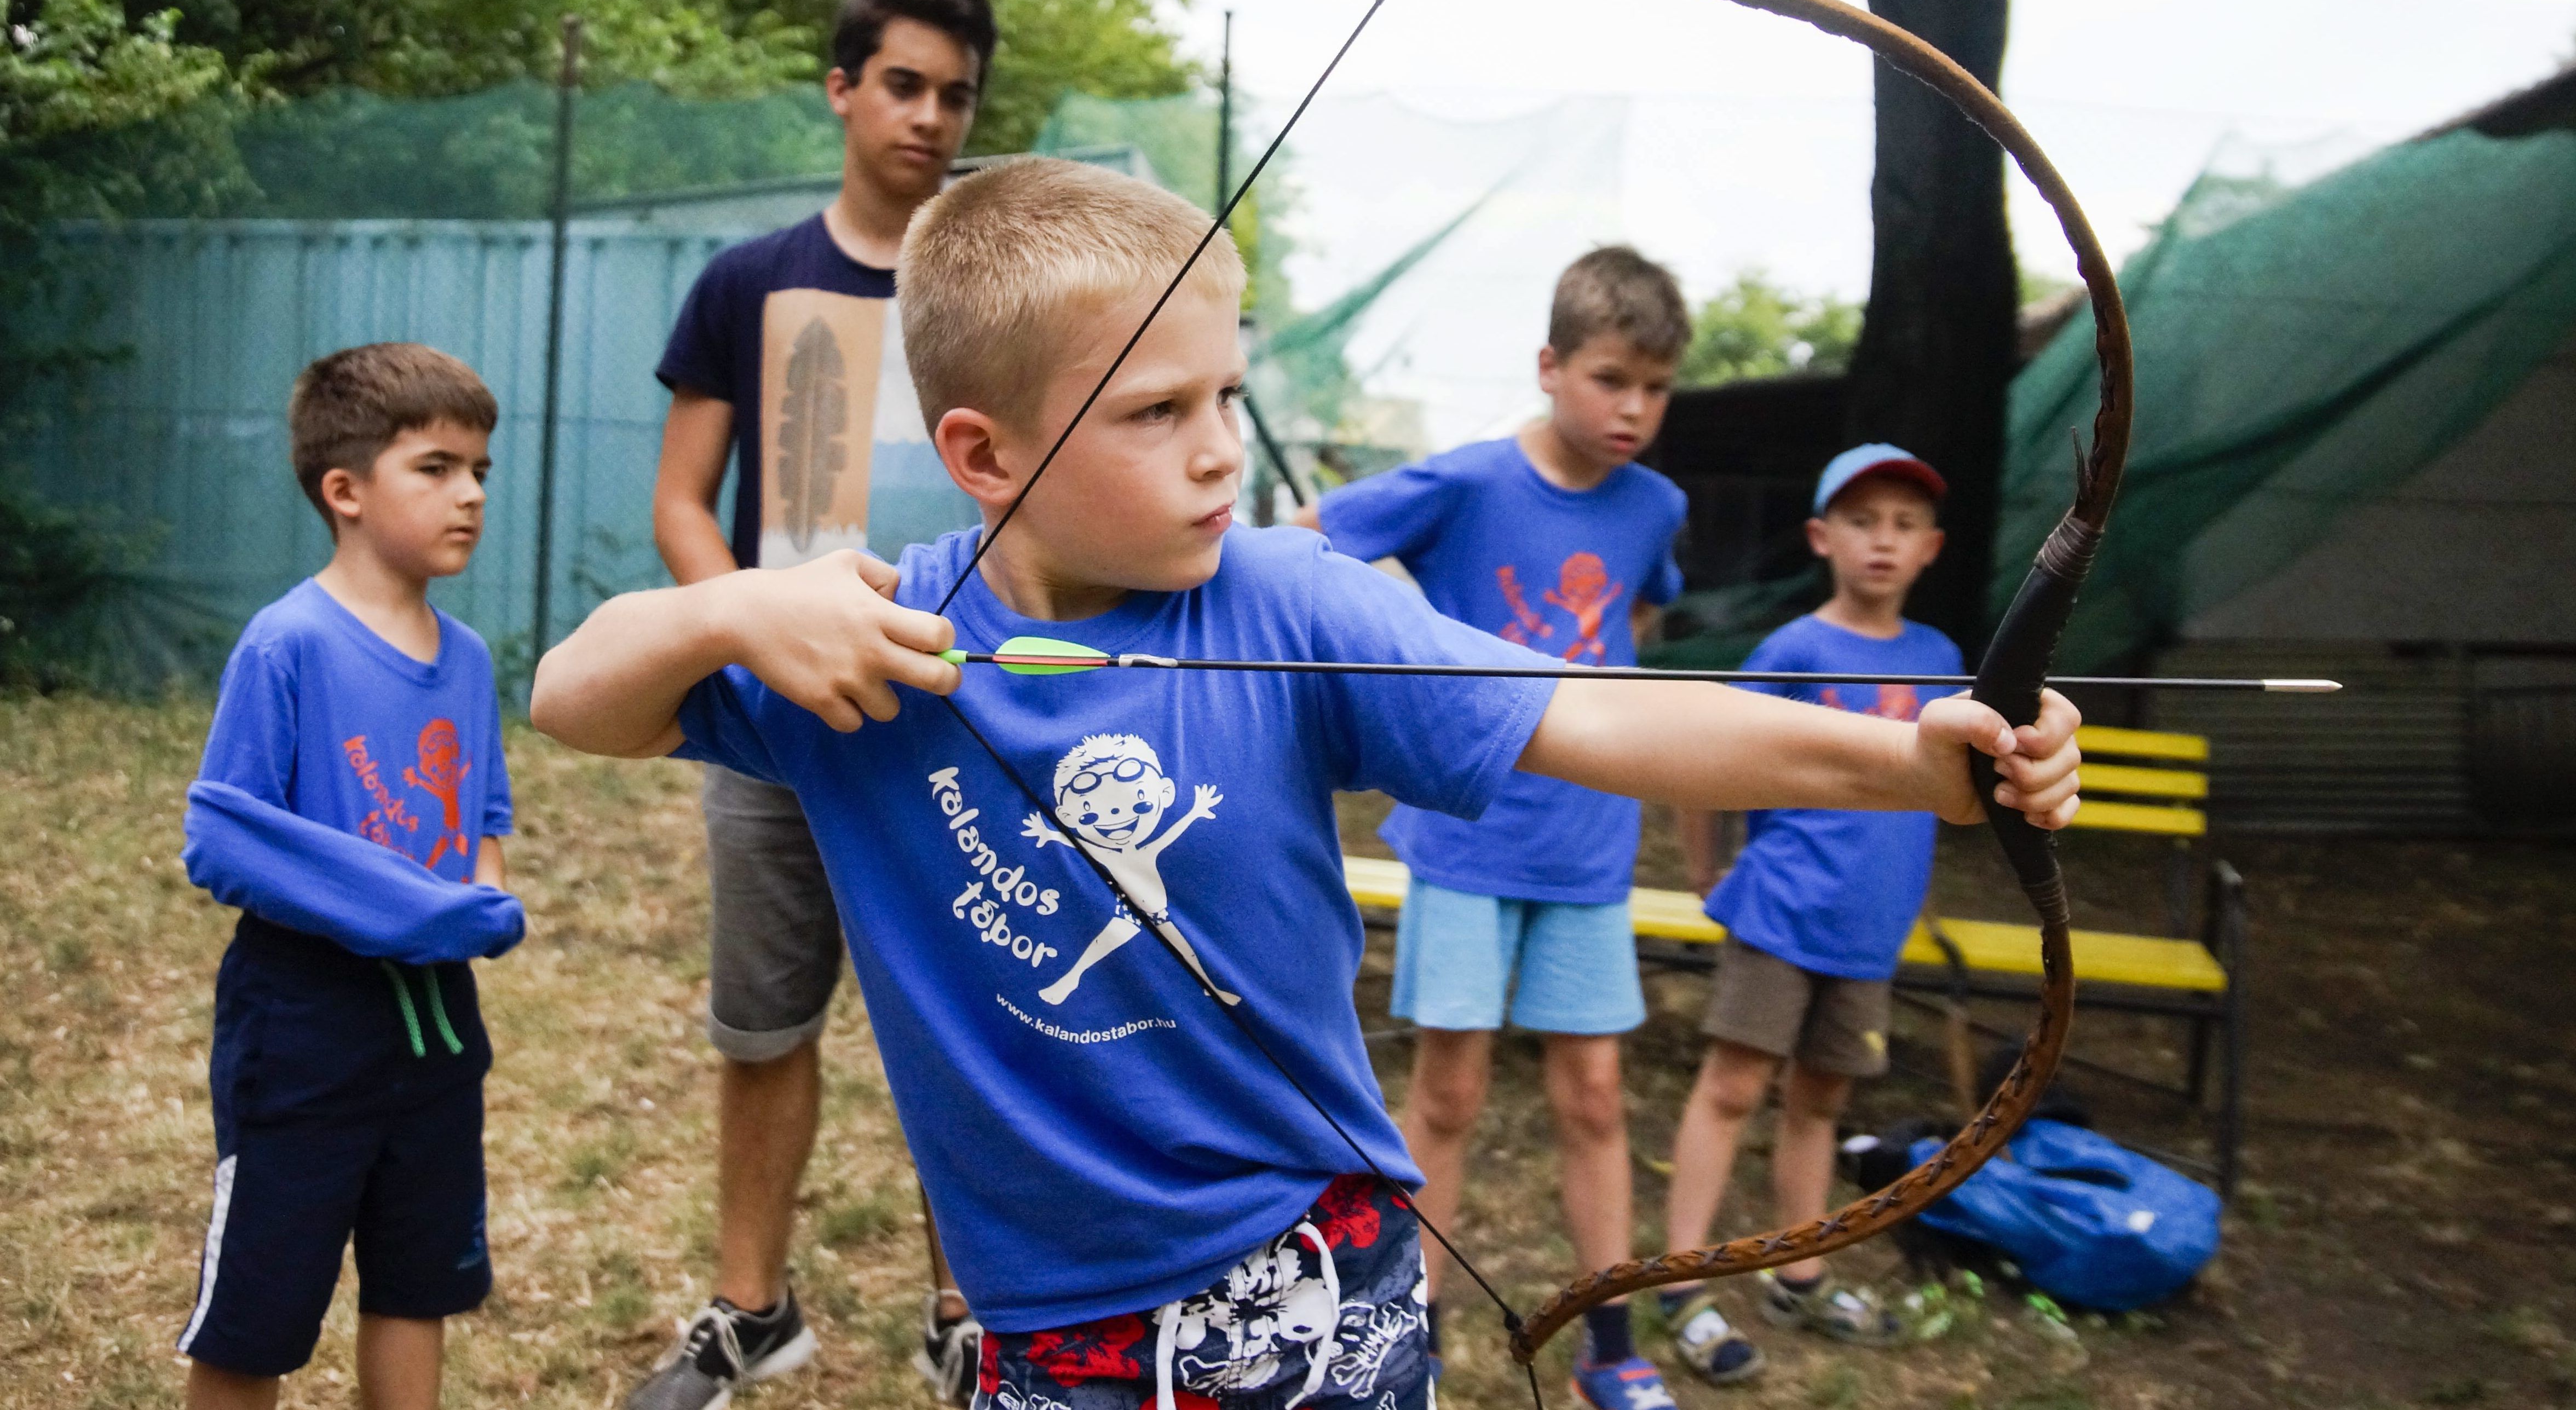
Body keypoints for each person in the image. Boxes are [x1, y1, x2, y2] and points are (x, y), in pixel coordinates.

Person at [531, 158, 2084, 1410]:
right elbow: (573, 700)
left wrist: (1910, 763)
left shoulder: (1287, 597)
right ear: (982, 451)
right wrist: (728, 604)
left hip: (1309, 1266)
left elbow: (1592, 715)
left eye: (1224, 394)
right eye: (1154, 413)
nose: (1219, 452)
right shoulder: (868, 640)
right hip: (1037, 1324)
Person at [639, 0, 992, 1409]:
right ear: (841, 87)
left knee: (968, 1033)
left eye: (956, 93)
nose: (929, 115)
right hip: (781, 732)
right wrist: (746, 627)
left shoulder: (992, 287)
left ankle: (969, 1313)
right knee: (761, 1025)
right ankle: (748, 1309)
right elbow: (680, 502)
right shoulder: (747, 281)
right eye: (902, 82)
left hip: (960, 729)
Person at [1297, 246, 1692, 1405]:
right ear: (1549, 365)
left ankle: (1609, 1348)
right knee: (1448, 1098)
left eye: (1655, 387)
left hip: (1587, 852)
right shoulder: (1467, 481)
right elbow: (1314, 536)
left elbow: (1641, 610)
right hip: (1466, 839)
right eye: (1612, 377)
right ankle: (1395, 1344)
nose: (1632, 408)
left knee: (1594, 1097)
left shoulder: (1655, 504)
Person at [175, 344, 527, 1409]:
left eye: (480, 469)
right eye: (435, 467)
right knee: (258, 1317)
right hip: (302, 1035)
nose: (469, 492)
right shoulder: (285, 645)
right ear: (346, 492)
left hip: (434, 1039)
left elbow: (486, 829)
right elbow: (221, 837)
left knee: (416, 1289)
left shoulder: (466, 658)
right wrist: (408, 908)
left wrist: (481, 901)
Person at [1652, 443, 1964, 1383]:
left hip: (1869, 932)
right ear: (1823, 538)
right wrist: (1709, 868)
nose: (1883, 540)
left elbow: (1949, 786)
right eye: (1864, 521)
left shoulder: (1941, 660)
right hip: (1782, 913)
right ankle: (1682, 1282)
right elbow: (1706, 755)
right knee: (1734, 1087)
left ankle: (1800, 1272)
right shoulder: (1794, 649)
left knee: (1821, 1100)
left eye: (1905, 525)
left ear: (1931, 548)